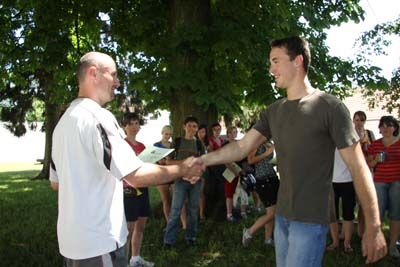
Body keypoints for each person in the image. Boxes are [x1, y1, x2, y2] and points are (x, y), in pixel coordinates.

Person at [194, 36, 386, 266]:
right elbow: (242, 147)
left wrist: (374, 226)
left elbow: (358, 168)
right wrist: (203, 160)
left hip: (310, 219)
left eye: (276, 61)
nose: (270, 69)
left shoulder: (330, 107)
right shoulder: (274, 111)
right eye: (270, 62)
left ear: (298, 61)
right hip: (282, 216)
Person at [49, 52, 201, 267]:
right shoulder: (97, 117)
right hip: (100, 242)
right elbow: (135, 175)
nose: (118, 83)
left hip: (71, 243)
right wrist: (183, 169)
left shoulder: (62, 124)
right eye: (114, 75)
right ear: (94, 73)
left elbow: (56, 184)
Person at [163, 116, 205, 247]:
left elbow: (204, 164)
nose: (192, 128)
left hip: (195, 182)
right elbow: (168, 161)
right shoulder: (177, 142)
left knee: (193, 210)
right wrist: (185, 163)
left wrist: (198, 176)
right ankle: (168, 241)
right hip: (179, 181)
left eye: (195, 126)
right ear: (184, 127)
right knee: (176, 210)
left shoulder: (199, 144)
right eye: (189, 125)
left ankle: (191, 237)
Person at [121, 113, 153, 267]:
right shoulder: (121, 145)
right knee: (128, 229)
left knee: (140, 225)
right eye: (130, 123)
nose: (134, 126)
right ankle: (122, 261)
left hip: (143, 188)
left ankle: (135, 258)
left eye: (136, 123)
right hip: (128, 190)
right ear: (124, 127)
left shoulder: (142, 146)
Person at [367, 115, 400, 257]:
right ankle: (377, 245)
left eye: (389, 125)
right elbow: (369, 165)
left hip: (397, 183)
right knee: (377, 215)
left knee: (396, 215)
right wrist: (376, 159)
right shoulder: (375, 145)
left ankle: (393, 246)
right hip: (379, 182)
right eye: (383, 126)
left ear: (395, 128)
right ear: (379, 129)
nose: (386, 128)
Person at [242, 140, 279, 247]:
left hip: (272, 178)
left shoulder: (269, 142)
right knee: (272, 213)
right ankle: (249, 231)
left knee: (271, 212)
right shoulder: (255, 143)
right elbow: (250, 160)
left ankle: (268, 239)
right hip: (262, 180)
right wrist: (266, 153)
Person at [326, 149, 356, 253]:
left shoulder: (349, 139)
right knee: (332, 215)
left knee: (348, 214)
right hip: (330, 182)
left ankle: (347, 244)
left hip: (349, 181)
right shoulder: (327, 140)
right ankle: (335, 243)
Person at [353, 110, 375, 238]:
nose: (359, 122)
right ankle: (349, 228)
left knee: (364, 201)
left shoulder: (370, 134)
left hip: (367, 170)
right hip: (352, 171)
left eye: (361, 120)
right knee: (352, 201)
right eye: (357, 119)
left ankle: (362, 231)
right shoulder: (349, 133)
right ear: (353, 120)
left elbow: (374, 149)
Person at [154, 125, 173, 223]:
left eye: (170, 134)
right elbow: (154, 160)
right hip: (161, 175)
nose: (168, 136)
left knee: (177, 200)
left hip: (173, 174)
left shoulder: (173, 145)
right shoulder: (156, 145)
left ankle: (178, 221)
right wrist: (161, 161)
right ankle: (168, 222)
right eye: (166, 134)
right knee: (166, 200)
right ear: (162, 133)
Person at [196, 124, 209, 220]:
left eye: (203, 132)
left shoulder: (207, 144)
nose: (201, 134)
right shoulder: (193, 142)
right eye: (200, 131)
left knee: (201, 192)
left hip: (204, 170)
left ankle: (201, 214)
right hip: (193, 170)